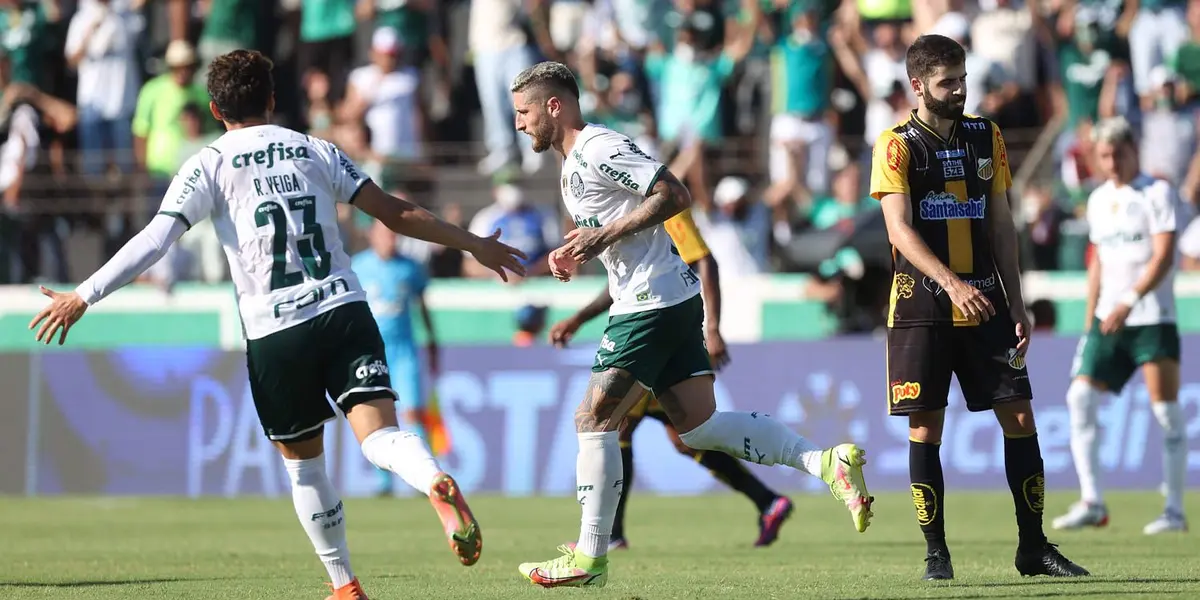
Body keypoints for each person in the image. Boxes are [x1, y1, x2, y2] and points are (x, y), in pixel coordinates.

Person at [28, 50, 527, 600]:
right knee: (381, 435)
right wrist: (475, 243)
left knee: (305, 467)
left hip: (276, 330)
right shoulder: (315, 148)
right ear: (271, 99)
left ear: (215, 108)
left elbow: (155, 240)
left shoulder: (207, 164)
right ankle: (431, 477)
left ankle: (345, 585)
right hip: (344, 309)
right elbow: (393, 212)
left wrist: (83, 295)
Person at [510, 61, 873, 589]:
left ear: (554, 106)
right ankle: (825, 463)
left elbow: (675, 196)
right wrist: (580, 250)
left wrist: (603, 235)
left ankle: (590, 556)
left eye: (524, 112)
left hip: (649, 305)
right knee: (699, 427)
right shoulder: (573, 164)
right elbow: (616, 234)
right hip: (667, 300)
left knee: (593, 420)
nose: (519, 124)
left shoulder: (598, 147)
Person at [869, 34, 1090, 581]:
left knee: (1019, 414)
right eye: (948, 82)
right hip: (921, 305)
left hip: (987, 301)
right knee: (926, 430)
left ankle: (1034, 548)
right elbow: (899, 228)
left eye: (963, 78)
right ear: (917, 85)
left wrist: (1017, 301)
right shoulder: (896, 144)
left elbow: (1000, 224)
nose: (960, 90)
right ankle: (936, 555)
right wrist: (949, 282)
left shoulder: (984, 135)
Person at [549, 205, 795, 550]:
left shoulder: (661, 206)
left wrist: (713, 327)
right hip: (652, 326)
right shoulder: (624, 212)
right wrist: (578, 319)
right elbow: (625, 285)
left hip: (658, 333)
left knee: (617, 426)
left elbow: (704, 259)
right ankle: (768, 500)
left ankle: (612, 534)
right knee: (686, 437)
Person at [1053, 116, 1188, 535]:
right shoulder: (1097, 200)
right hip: (1107, 321)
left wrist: (1129, 301)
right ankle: (1092, 500)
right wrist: (1091, 320)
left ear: (1134, 151)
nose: (1112, 163)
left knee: (1165, 413)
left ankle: (1174, 509)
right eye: (1104, 155)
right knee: (1079, 399)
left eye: (1118, 154)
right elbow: (1098, 264)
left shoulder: (1157, 193)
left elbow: (1164, 256)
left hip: (1151, 319)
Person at [353, 220, 440, 498]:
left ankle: (428, 479)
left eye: (395, 235)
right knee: (377, 417)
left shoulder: (411, 268)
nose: (392, 240)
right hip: (371, 351)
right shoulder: (357, 266)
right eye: (387, 234)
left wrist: (432, 339)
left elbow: (421, 305)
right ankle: (384, 484)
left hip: (404, 350)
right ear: (373, 236)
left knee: (414, 411)